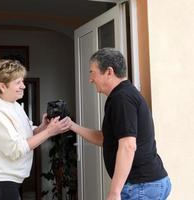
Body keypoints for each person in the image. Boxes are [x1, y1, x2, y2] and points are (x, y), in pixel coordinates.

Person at [70, 48, 171, 200]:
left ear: (109, 71)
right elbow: (106, 139)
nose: (90, 79)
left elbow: (128, 145)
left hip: (140, 186)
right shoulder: (123, 95)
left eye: (92, 72)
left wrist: (114, 192)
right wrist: (71, 125)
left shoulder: (122, 99)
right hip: (148, 184)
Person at [0, 59, 71, 200]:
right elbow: (16, 149)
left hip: (9, 178)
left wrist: (43, 127)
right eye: (18, 83)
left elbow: (26, 134)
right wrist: (49, 131)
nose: (23, 86)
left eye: (22, 81)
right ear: (3, 86)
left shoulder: (14, 105)